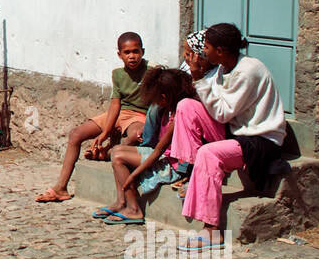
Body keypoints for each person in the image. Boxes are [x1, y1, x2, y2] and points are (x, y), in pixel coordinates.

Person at [179, 22, 287, 247]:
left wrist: (198, 79)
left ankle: (211, 230)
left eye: (207, 47)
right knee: (186, 107)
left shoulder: (248, 71)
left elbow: (221, 112)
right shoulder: (223, 67)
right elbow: (216, 107)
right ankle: (190, 174)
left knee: (209, 154)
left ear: (220, 51)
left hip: (259, 140)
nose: (203, 52)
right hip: (236, 130)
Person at [37, 32, 147, 204]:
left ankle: (107, 153)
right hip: (120, 113)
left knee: (135, 135)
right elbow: (115, 105)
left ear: (143, 51)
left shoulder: (151, 71)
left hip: (139, 115)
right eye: (127, 53)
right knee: (75, 134)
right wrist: (106, 132)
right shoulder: (118, 74)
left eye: (136, 51)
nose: (132, 56)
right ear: (119, 54)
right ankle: (61, 187)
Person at [95, 66, 200, 224]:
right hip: (163, 157)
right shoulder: (167, 110)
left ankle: (133, 209)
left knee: (118, 157)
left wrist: (134, 175)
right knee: (116, 150)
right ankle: (121, 201)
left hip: (172, 166)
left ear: (164, 97)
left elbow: (158, 152)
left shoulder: (178, 116)